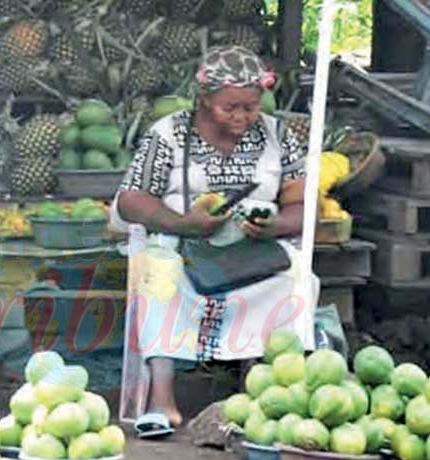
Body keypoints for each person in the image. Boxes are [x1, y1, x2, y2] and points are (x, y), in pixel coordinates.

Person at [110, 46, 319, 437]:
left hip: (253, 252)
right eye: (230, 107)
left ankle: (261, 392)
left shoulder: (278, 135)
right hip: (182, 246)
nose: (241, 116)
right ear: (204, 99)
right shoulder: (168, 133)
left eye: (251, 107)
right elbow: (131, 198)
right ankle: (162, 400)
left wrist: (273, 226)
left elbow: (304, 204)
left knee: (295, 278)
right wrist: (183, 223)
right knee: (160, 273)